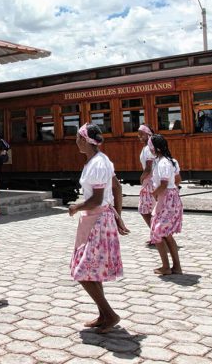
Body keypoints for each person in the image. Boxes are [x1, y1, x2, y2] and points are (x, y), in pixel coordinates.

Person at [68, 123, 129, 333]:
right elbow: (117, 188)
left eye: (78, 138)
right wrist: (118, 215)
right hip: (99, 219)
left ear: (85, 140)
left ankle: (110, 314)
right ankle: (103, 315)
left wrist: (77, 207)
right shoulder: (101, 160)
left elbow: (96, 199)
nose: (76, 141)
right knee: (93, 271)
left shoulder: (97, 165)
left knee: (82, 271)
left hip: (98, 221)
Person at [149, 134, 183, 275]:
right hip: (171, 198)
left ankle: (166, 266)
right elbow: (178, 179)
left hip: (166, 199)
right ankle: (176, 266)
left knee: (157, 232)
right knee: (167, 234)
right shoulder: (171, 161)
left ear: (156, 148)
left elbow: (163, 184)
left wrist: (154, 194)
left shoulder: (163, 163)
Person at [137, 125, 155, 245]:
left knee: (144, 210)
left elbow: (148, 167)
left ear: (148, 134)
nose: (139, 137)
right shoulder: (148, 147)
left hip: (149, 181)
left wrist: (142, 177)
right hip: (151, 181)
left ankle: (156, 234)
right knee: (151, 209)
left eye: (141, 134)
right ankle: (156, 235)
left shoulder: (148, 148)